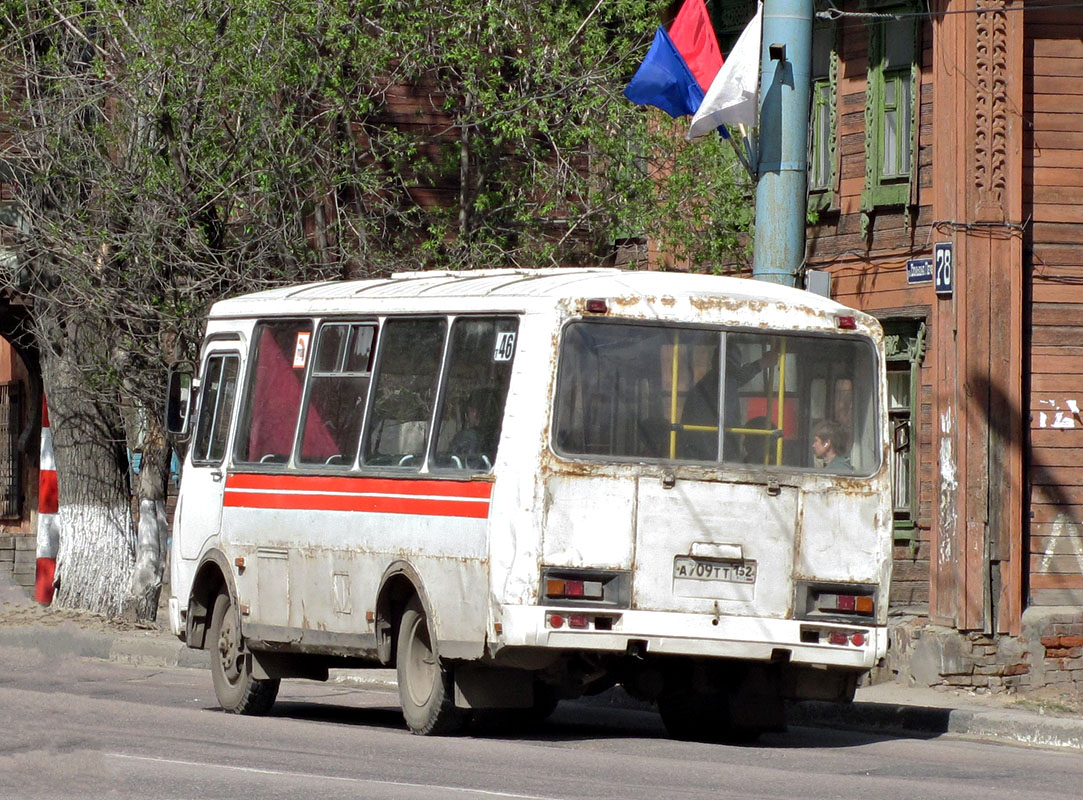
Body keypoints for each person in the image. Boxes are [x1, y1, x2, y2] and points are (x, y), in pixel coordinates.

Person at [681, 343, 778, 461]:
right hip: (709, 453)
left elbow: (737, 378)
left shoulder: (714, 382)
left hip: (705, 450)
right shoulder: (718, 382)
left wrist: (761, 364)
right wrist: (761, 364)